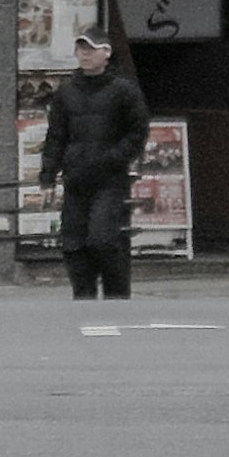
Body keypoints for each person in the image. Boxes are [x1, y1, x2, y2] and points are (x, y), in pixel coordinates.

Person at [40, 24, 150, 301]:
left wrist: (114, 158)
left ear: (106, 52)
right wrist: (47, 176)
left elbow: (137, 132)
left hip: (109, 181)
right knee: (73, 245)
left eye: (91, 49)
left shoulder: (124, 90)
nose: (85, 54)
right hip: (75, 179)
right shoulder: (66, 92)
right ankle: (84, 297)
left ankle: (116, 294)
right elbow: (55, 137)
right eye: (81, 48)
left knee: (102, 240)